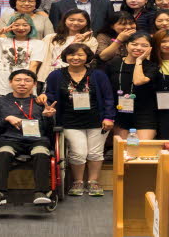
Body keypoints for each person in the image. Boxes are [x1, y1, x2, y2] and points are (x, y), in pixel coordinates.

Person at [42, 44, 115, 197]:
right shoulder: (56, 75)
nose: (76, 58)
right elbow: (50, 96)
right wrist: (45, 102)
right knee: (78, 152)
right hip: (69, 121)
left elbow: (108, 97)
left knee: (95, 153)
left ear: (87, 57)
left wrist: (109, 117)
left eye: (80, 55)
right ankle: (78, 181)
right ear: (65, 56)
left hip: (97, 120)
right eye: (72, 55)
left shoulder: (98, 75)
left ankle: (93, 181)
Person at [0, 69, 58, 206]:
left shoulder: (41, 103)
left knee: (41, 152)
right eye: (18, 80)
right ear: (10, 82)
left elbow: (49, 131)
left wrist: (47, 117)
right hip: (9, 139)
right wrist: (7, 119)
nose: (22, 83)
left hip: (37, 140)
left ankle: (41, 192)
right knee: (3, 152)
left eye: (27, 80)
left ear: (34, 84)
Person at [0, 14, 47, 103]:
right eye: (16, 25)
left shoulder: (38, 43)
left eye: (25, 25)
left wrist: (30, 88)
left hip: (23, 89)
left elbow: (33, 66)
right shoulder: (1, 41)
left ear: (31, 27)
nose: (21, 28)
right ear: (10, 26)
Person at [101, 32, 157, 140]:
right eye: (134, 44)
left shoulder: (151, 66)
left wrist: (139, 61)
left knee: (142, 147)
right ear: (126, 45)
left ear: (150, 48)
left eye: (144, 45)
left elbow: (138, 81)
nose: (138, 48)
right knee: (122, 148)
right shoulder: (114, 63)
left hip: (144, 113)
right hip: (120, 111)